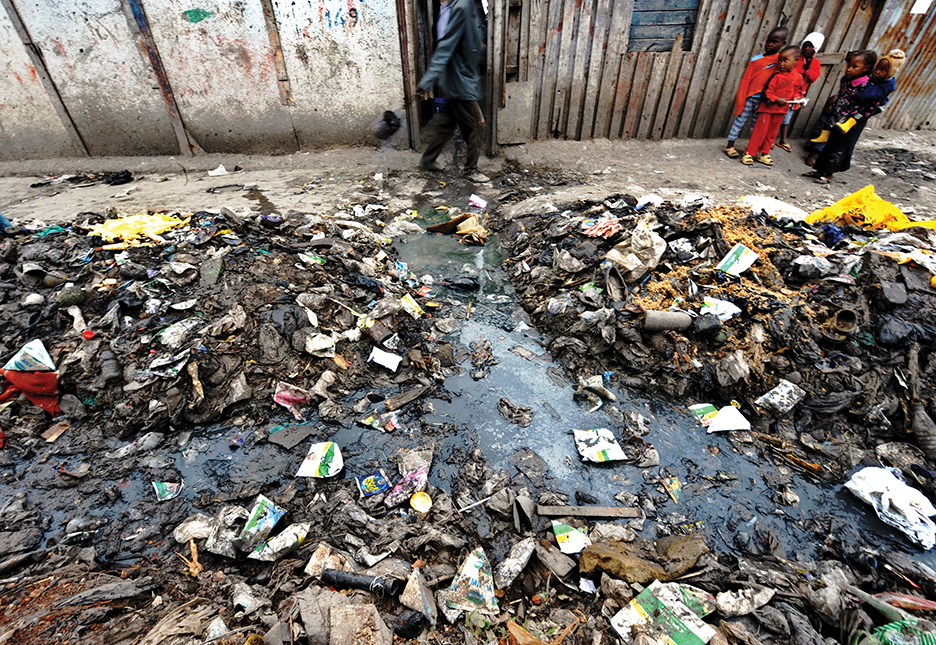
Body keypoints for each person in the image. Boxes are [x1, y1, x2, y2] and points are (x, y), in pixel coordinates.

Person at [415, 0, 489, 183]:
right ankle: (470, 170)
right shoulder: (460, 8)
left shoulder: (465, 5)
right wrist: (427, 81)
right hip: (460, 81)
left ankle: (427, 160)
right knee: (478, 124)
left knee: (446, 123)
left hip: (460, 77)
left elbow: (473, 35)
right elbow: (446, 47)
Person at [804, 50, 877, 184]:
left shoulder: (868, 87)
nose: (849, 69)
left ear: (866, 68)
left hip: (850, 124)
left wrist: (855, 118)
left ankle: (829, 175)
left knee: (840, 147)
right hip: (838, 118)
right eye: (849, 65)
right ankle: (819, 170)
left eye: (854, 67)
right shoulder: (849, 81)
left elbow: (870, 106)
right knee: (829, 145)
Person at [724, 27, 789, 159]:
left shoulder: (781, 61)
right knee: (739, 122)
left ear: (783, 44)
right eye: (768, 41)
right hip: (751, 97)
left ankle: (751, 150)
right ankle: (730, 146)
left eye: (775, 42)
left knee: (757, 128)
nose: (770, 44)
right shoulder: (756, 60)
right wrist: (741, 99)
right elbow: (746, 80)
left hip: (765, 102)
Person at [742, 46, 801, 166]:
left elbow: (796, 91)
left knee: (772, 134)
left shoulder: (798, 77)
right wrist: (776, 99)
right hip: (767, 110)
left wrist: (796, 98)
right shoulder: (776, 76)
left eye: (785, 60)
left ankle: (764, 153)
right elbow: (767, 93)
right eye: (780, 61)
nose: (781, 64)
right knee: (759, 132)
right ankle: (749, 153)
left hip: (781, 111)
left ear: (796, 60)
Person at [776, 32, 823, 152]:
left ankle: (782, 140)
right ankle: (771, 139)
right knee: (777, 115)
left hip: (797, 96)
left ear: (815, 48)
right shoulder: (797, 58)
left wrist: (807, 69)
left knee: (786, 118)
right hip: (785, 92)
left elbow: (813, 78)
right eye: (805, 45)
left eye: (810, 46)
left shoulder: (815, 63)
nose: (806, 48)